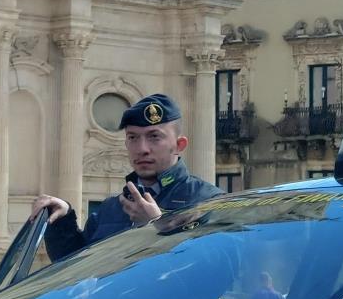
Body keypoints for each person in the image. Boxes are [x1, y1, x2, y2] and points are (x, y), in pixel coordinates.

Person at [29, 93, 221, 258]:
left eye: (154, 136)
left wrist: (159, 226)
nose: (142, 149)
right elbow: (75, 270)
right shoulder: (110, 209)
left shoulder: (209, 201)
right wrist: (63, 221)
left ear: (179, 145)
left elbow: (221, 271)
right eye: (133, 137)